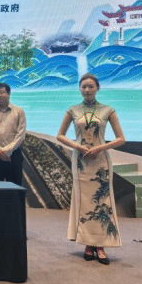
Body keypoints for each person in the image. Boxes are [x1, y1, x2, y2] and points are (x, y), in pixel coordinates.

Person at [57, 73, 125, 265]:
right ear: (79, 89)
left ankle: (100, 245)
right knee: (85, 202)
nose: (87, 90)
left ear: (97, 88)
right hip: (80, 161)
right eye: (83, 86)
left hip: (100, 161)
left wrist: (99, 148)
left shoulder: (107, 110)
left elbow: (121, 138)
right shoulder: (73, 110)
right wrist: (78, 146)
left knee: (102, 202)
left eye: (90, 86)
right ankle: (88, 243)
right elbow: (60, 135)